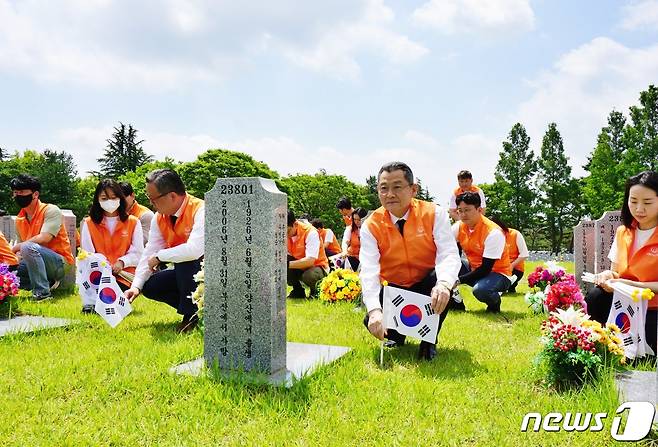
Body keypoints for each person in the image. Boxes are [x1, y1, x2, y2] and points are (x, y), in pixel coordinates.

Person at [360, 162, 461, 360]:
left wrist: (444, 284)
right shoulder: (371, 225)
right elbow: (369, 269)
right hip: (393, 287)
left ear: (413, 189)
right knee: (372, 322)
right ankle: (397, 336)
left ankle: (428, 341)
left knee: (443, 286)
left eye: (397, 187)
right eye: (383, 188)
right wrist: (374, 311)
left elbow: (448, 253)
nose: (389, 194)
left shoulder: (434, 213)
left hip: (426, 283)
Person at [585, 171, 658, 355]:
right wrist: (607, 276)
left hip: (652, 307)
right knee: (596, 296)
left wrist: (631, 284)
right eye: (633, 201)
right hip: (624, 305)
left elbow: (627, 281)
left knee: (645, 352)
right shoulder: (623, 232)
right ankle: (595, 341)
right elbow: (616, 272)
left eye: (647, 202)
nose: (639, 208)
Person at [124, 170, 204, 334]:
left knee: (184, 260)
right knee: (151, 286)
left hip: (209, 275)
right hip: (187, 275)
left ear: (172, 196)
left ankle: (190, 316)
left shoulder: (201, 210)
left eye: (153, 199)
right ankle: (202, 312)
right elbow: (149, 252)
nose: (151, 204)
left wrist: (160, 257)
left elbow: (194, 250)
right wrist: (136, 286)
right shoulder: (159, 217)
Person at [80, 179, 144, 313]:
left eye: (113, 197)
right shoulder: (89, 223)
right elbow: (87, 254)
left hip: (123, 275)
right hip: (97, 276)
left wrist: (122, 262)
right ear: (97, 199)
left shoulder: (133, 222)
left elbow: (139, 254)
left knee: (113, 304)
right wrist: (102, 265)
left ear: (120, 198)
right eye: (104, 198)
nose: (109, 201)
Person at [10, 174, 74, 300]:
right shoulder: (19, 219)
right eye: (15, 192)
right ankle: (48, 283)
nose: (17, 196)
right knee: (8, 269)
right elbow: (21, 251)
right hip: (33, 259)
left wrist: (17, 247)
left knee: (27, 247)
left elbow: (45, 238)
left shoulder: (50, 210)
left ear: (35, 194)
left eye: (21, 192)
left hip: (59, 263)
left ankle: (42, 294)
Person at [451, 192, 512, 313]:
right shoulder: (458, 227)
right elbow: (448, 251)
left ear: (479, 209)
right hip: (473, 267)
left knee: (480, 290)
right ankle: (456, 303)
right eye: (460, 210)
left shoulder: (493, 232)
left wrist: (458, 280)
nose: (463, 215)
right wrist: (450, 273)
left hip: (498, 273)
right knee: (439, 270)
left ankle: (494, 302)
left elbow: (485, 268)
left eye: (467, 210)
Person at [287, 210, 329, 299]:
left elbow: (310, 261)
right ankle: (297, 290)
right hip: (299, 265)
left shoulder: (310, 232)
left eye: (288, 231)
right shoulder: (283, 234)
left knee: (310, 275)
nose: (285, 234)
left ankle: (316, 291)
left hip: (317, 266)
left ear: (295, 224)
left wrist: (286, 265)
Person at [489, 216, 529, 293]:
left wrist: (511, 266)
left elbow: (524, 254)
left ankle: (509, 285)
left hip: (514, 268)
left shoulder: (515, 234)